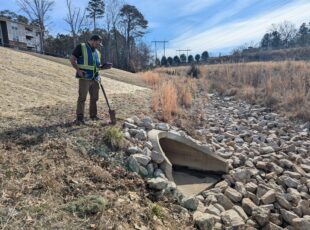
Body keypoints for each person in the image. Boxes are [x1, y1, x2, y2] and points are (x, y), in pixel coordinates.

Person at [70, 35, 112, 125]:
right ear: (92, 40)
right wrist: (78, 70)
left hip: (95, 78)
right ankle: (79, 118)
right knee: (82, 98)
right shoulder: (81, 47)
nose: (98, 45)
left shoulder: (97, 52)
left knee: (94, 98)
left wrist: (104, 67)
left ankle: (93, 115)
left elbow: (96, 67)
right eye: (98, 43)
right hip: (84, 77)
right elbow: (72, 59)